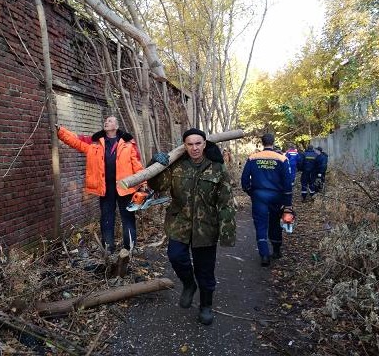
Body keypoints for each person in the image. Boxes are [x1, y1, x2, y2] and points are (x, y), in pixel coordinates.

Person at [148, 128, 236, 326]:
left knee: (205, 270)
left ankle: (206, 305)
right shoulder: (177, 165)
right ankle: (188, 284)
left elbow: (226, 202)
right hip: (179, 222)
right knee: (175, 256)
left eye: (198, 143)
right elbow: (158, 186)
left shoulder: (217, 167)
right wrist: (155, 163)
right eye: (190, 144)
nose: (194, 148)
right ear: (184, 146)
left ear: (204, 144)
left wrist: (227, 232)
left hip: (206, 227)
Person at [56, 116, 145, 253]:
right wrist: (61, 131)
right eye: (105, 121)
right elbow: (75, 141)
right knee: (106, 218)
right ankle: (108, 249)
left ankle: (130, 248)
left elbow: (137, 165)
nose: (106, 122)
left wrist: (143, 183)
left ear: (116, 126)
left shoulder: (128, 143)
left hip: (125, 188)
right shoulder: (95, 142)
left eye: (110, 121)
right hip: (105, 189)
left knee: (128, 218)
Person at [241, 133, 293, 267]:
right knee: (275, 222)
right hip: (277, 196)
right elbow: (288, 181)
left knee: (260, 224)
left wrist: (250, 191)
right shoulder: (282, 159)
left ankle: (264, 255)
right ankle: (276, 250)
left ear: (262, 143)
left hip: (259, 196)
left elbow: (245, 179)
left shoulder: (253, 158)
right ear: (273, 142)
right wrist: (287, 202)